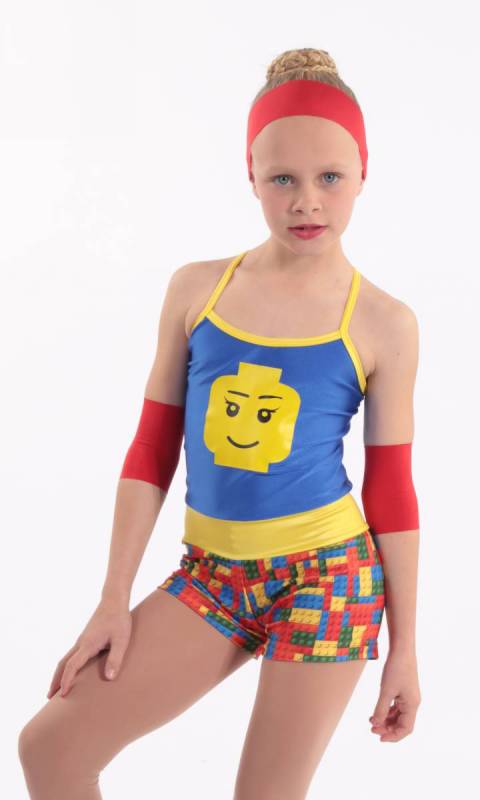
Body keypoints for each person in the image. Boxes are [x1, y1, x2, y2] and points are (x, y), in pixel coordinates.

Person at [18, 47, 421, 800]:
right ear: (252, 176)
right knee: (52, 749)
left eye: (331, 177)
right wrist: (113, 599)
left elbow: (392, 491)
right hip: (215, 574)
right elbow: (152, 448)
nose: (307, 202)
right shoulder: (197, 291)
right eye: (283, 179)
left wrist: (405, 648)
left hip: (331, 577)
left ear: (363, 172)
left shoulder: (384, 322)